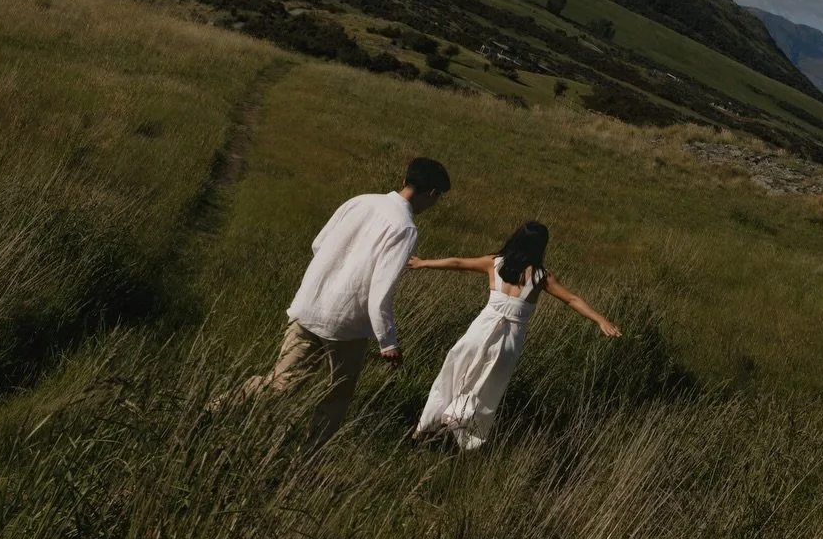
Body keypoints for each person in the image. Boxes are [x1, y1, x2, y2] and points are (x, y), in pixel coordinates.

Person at [238, 156, 451, 444]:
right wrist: (388, 341)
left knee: (280, 382)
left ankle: (217, 407)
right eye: (437, 200)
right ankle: (310, 457)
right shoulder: (405, 228)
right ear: (433, 194)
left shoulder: (360, 201)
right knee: (336, 395)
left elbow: (318, 244)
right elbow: (380, 290)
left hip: (309, 306)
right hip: (345, 326)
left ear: (405, 181)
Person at [411, 220, 621, 450]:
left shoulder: (495, 262)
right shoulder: (541, 277)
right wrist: (601, 319)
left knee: (452, 373)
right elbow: (572, 299)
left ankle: (424, 429)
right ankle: (456, 421)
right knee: (487, 386)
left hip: (479, 332)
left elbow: (459, 262)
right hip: (509, 340)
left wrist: (423, 263)